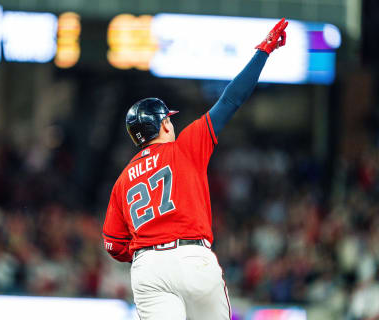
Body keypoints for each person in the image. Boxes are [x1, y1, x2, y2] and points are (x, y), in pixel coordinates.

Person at [102, 18, 289, 320]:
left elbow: (112, 244)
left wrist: (145, 251)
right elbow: (231, 99)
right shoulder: (185, 146)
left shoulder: (123, 180)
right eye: (168, 119)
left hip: (147, 268)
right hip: (192, 257)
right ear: (163, 123)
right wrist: (263, 51)